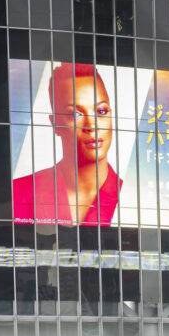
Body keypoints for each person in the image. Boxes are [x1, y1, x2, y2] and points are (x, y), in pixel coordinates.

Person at [13, 62, 122, 225]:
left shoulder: (131, 195)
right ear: (55, 123)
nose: (91, 126)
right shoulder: (17, 193)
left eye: (101, 111)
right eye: (75, 114)